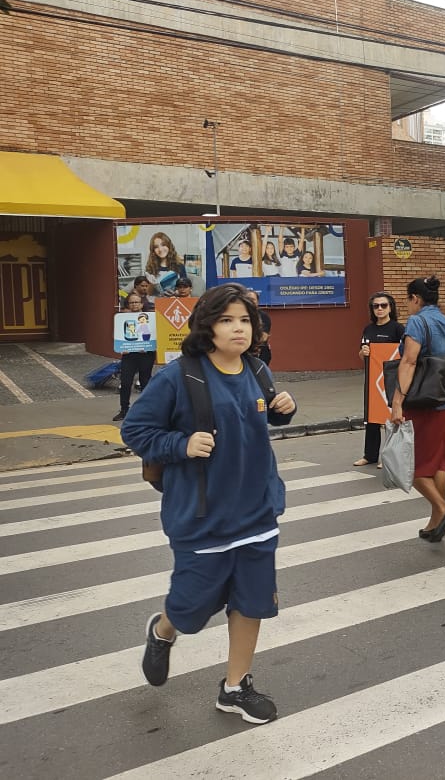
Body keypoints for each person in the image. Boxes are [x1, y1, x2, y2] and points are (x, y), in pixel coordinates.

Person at [120, 283, 296, 724]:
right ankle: (163, 631)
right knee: (192, 607)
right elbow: (136, 431)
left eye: (245, 321)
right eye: (227, 320)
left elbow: (256, 418)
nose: (239, 329)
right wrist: (181, 444)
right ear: (207, 326)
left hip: (257, 512)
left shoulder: (257, 369)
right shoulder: (179, 376)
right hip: (203, 519)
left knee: (252, 603)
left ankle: (235, 688)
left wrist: (282, 409)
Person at [390, 275, 445, 541]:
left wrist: (397, 401)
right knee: (439, 464)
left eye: (408, 299)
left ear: (416, 299)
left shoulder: (417, 321)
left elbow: (409, 362)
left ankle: (444, 509)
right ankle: (435, 523)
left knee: (414, 467)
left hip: (426, 402)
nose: (408, 305)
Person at [354, 292, 405, 467]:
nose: (380, 309)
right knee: (372, 417)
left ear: (391, 307)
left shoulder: (398, 329)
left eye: (384, 305)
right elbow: (362, 355)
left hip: (392, 380)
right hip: (372, 380)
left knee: (390, 418)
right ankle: (370, 455)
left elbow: (405, 354)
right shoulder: (368, 329)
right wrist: (363, 353)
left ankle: (388, 456)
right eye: (376, 306)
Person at [113, 293, 154, 422]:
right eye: (132, 302)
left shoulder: (150, 318)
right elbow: (118, 337)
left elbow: (154, 336)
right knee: (125, 382)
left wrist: (147, 346)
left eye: (137, 302)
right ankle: (124, 410)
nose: (135, 305)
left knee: (145, 382)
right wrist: (122, 349)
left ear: (142, 304)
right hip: (129, 355)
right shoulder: (122, 319)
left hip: (146, 355)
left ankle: (147, 411)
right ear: (128, 305)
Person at [145, 231, 188, 296]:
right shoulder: (150, 267)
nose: (160, 249)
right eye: (156, 247)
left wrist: (177, 292)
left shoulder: (179, 266)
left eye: (163, 245)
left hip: (175, 302)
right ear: (153, 250)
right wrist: (152, 284)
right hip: (156, 303)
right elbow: (148, 293)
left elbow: (186, 289)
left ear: (169, 246)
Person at [245, 289, 272, 366]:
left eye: (253, 299)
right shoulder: (238, 315)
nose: (250, 301)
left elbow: (263, 337)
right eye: (248, 299)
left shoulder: (263, 316)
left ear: (257, 302)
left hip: (260, 353)